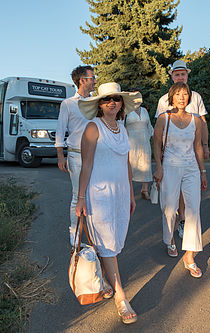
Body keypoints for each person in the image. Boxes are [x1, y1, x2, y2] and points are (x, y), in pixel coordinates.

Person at [75, 82, 142, 324]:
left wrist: (132, 194)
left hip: (121, 193)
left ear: (121, 103)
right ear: (99, 105)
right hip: (99, 194)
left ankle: (105, 282)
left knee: (112, 242)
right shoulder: (93, 128)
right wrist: (81, 198)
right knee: (108, 243)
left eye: (115, 99)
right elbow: (87, 166)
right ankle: (121, 297)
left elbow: (126, 163)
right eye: (106, 100)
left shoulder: (122, 129)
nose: (111, 103)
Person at [153, 82, 207, 278]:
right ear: (171, 97)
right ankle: (170, 240)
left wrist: (202, 171)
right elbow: (157, 144)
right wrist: (158, 167)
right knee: (169, 208)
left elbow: (198, 147)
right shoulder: (164, 118)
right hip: (170, 166)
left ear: (189, 97)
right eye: (178, 94)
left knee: (193, 209)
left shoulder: (196, 120)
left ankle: (190, 255)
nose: (182, 97)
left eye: (185, 94)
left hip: (191, 167)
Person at [155, 60, 209, 238]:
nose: (180, 77)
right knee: (173, 197)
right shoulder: (164, 100)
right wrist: (160, 164)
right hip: (171, 158)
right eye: (177, 74)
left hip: (191, 155)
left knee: (189, 196)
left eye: (183, 74)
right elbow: (159, 134)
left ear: (187, 75)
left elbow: (202, 122)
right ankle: (175, 225)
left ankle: (184, 222)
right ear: (172, 76)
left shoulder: (197, 97)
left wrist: (205, 145)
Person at [55, 65, 96, 246]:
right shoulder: (68, 104)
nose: (95, 80)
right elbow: (60, 130)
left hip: (97, 155)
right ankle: (75, 233)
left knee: (94, 195)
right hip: (76, 155)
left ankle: (94, 233)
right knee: (77, 195)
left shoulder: (96, 102)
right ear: (82, 80)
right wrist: (60, 156)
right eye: (92, 77)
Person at [124, 88, 154, 200]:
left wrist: (152, 137)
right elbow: (121, 127)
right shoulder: (125, 110)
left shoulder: (144, 111)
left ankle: (145, 190)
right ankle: (129, 192)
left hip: (144, 142)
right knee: (131, 166)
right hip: (131, 143)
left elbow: (149, 126)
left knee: (145, 165)